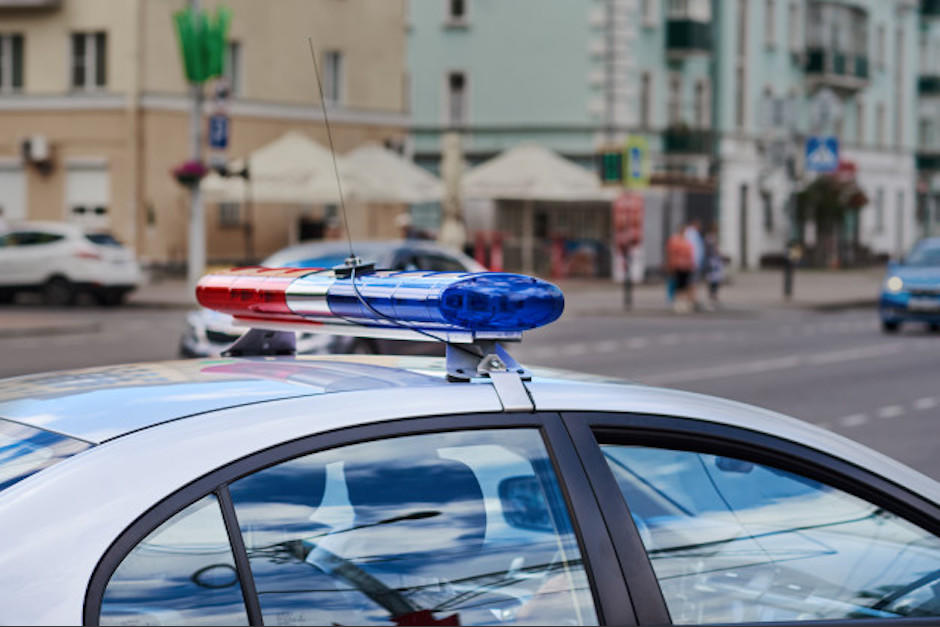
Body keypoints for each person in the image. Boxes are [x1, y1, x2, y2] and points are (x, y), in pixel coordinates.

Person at [665, 225, 694, 313]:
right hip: (678, 265)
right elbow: (671, 254)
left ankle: (684, 303)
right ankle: (679, 304)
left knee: (685, 285)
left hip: (686, 266)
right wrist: (670, 265)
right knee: (678, 285)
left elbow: (690, 254)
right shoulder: (675, 241)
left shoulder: (686, 241)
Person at [683, 220, 705, 309]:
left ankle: (692, 299)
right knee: (692, 282)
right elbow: (692, 249)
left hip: (695, 262)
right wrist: (693, 261)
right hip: (693, 263)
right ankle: (691, 300)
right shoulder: (691, 234)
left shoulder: (693, 233)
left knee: (693, 282)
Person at [704, 226, 724, 309]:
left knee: (715, 281)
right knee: (712, 281)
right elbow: (712, 250)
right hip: (711, 262)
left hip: (715, 262)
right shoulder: (709, 239)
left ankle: (714, 297)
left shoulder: (712, 238)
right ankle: (712, 299)